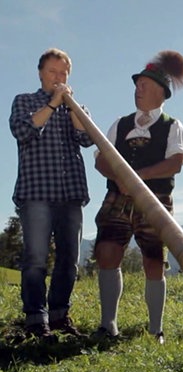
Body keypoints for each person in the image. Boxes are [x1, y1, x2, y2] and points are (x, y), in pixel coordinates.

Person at [93, 50, 183, 344]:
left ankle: (155, 328)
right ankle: (108, 324)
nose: (138, 89)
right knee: (107, 253)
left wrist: (138, 178)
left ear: (161, 92)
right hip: (117, 198)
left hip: (155, 200)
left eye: (144, 85)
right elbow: (100, 159)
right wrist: (120, 178)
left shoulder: (173, 125)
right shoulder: (120, 124)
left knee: (153, 261)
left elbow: (176, 162)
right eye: (137, 85)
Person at [9, 48, 93, 340]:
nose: (59, 78)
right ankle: (35, 319)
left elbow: (85, 139)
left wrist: (71, 109)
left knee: (69, 259)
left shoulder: (76, 108)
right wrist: (54, 104)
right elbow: (23, 131)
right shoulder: (24, 101)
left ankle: (59, 316)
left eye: (63, 73)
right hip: (36, 193)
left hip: (70, 193)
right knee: (35, 258)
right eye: (53, 72)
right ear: (40, 73)